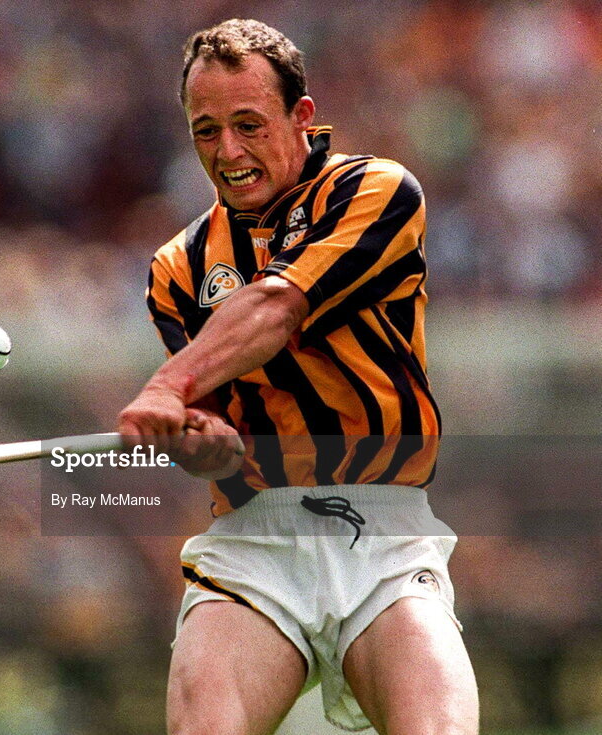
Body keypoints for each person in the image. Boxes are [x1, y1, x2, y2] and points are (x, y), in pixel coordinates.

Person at [117, 18, 479, 735]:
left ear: (301, 116)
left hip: (380, 530)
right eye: (206, 130)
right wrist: (194, 435)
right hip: (254, 542)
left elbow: (277, 305)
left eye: (248, 124)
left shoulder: (374, 191)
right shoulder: (176, 268)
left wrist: (166, 385)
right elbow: (218, 438)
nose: (227, 152)